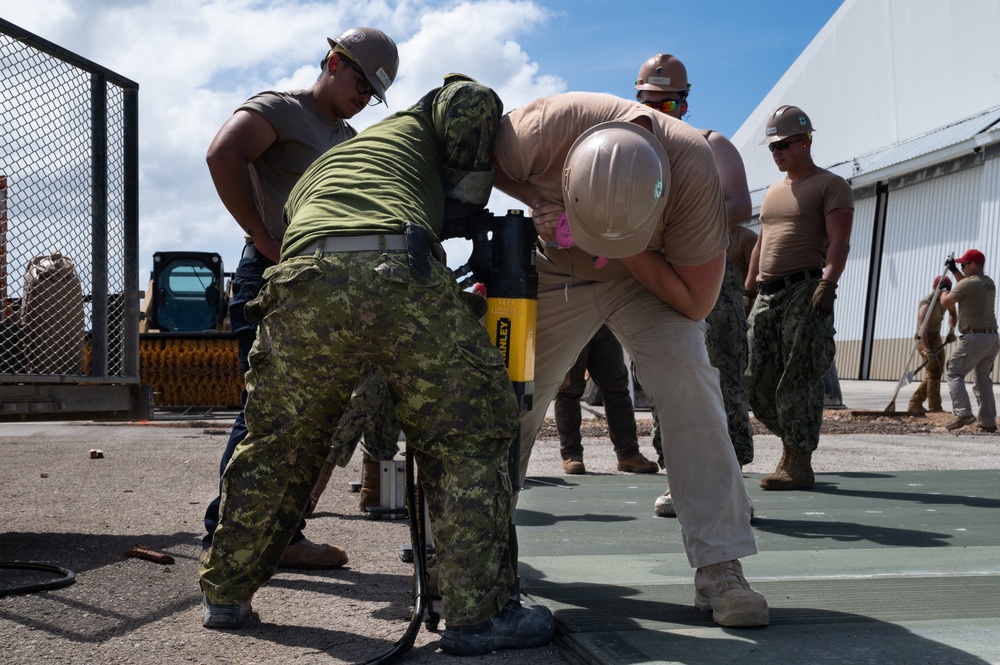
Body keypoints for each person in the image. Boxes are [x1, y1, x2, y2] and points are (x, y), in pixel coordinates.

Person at [198, 74, 555, 656]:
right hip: (395, 269)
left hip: (302, 279)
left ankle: (226, 593)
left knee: (278, 440)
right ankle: (479, 616)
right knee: (468, 433)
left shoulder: (345, 159)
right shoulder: (438, 107)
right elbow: (471, 103)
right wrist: (470, 198)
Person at [492, 92, 769, 628]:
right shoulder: (542, 128)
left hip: (653, 278)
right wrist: (543, 204)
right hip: (557, 269)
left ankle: (720, 567)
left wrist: (617, 244)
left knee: (691, 388)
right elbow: (475, 163)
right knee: (507, 399)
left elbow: (694, 301)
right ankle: (472, 550)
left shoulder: (694, 178)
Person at [202, 27, 400, 568]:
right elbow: (223, 154)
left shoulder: (348, 139)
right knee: (264, 411)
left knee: (307, 418)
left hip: (316, 293)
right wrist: (264, 238)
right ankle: (228, 532)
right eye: (362, 83)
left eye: (374, 93)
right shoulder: (281, 110)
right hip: (269, 279)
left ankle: (281, 532)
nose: (365, 97)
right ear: (335, 62)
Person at [632, 53, 755, 518]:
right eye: (649, 103)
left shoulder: (710, 144)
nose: (659, 114)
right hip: (655, 277)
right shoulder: (632, 147)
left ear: (685, 105)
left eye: (669, 106)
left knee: (719, 379)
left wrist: (680, 227)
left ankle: (731, 487)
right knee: (665, 379)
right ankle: (676, 478)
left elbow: (739, 204)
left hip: (707, 277)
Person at [744, 105, 854, 491]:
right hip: (768, 293)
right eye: (772, 148)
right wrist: (748, 289)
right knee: (754, 380)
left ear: (805, 142)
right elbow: (763, 242)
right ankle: (793, 443)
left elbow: (840, 239)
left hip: (805, 290)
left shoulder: (830, 184)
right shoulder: (774, 192)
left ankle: (798, 461)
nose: (776, 153)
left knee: (799, 377)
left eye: (784, 145)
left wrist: (829, 283)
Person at [554, 325, 659, 475]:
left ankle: (628, 455)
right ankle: (571, 454)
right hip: (575, 321)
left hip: (606, 323)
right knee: (569, 390)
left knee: (617, 389)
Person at [940, 249, 999, 432]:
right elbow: (967, 286)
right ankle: (988, 422)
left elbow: (946, 303)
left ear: (973, 265)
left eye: (964, 265)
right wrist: (955, 271)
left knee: (953, 371)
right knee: (982, 379)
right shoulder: (988, 283)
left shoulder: (967, 284)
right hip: (992, 339)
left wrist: (944, 289)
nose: (962, 268)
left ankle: (963, 412)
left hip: (975, 338)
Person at [907, 275, 957, 415]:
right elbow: (920, 329)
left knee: (936, 372)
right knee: (933, 370)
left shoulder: (946, 299)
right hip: (924, 339)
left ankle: (915, 404)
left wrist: (952, 330)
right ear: (935, 288)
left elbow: (953, 313)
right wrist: (927, 350)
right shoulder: (926, 304)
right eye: (941, 290)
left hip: (936, 338)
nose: (944, 293)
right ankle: (934, 408)